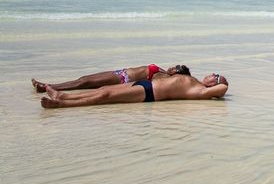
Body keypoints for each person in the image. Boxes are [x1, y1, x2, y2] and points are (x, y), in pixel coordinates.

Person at [41, 72, 228, 108]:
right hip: (145, 84)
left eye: (216, 75)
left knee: (105, 96)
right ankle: (62, 95)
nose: (212, 73)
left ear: (214, 84)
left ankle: (61, 104)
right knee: (105, 88)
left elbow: (224, 88)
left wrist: (221, 82)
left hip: (150, 94)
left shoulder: (202, 91)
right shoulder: (193, 80)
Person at [32, 63, 189, 92]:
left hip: (123, 80)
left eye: (176, 68)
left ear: (177, 75)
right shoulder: (162, 72)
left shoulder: (163, 78)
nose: (173, 67)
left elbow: (146, 84)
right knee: (85, 79)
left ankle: (48, 86)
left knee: (85, 82)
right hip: (121, 73)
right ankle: (51, 86)